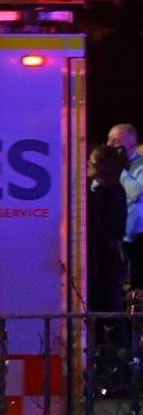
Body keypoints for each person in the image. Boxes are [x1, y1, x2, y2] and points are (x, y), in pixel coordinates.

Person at [91, 144, 131, 387]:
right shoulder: (110, 191)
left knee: (111, 323)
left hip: (104, 269)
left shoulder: (108, 193)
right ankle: (115, 376)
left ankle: (118, 377)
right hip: (107, 267)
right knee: (111, 321)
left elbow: (99, 228)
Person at [111, 124, 143, 290]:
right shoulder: (113, 166)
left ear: (130, 144)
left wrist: (120, 172)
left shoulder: (140, 165)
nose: (109, 145)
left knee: (136, 287)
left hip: (137, 238)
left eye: (115, 141)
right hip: (118, 236)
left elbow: (136, 192)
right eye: (109, 139)